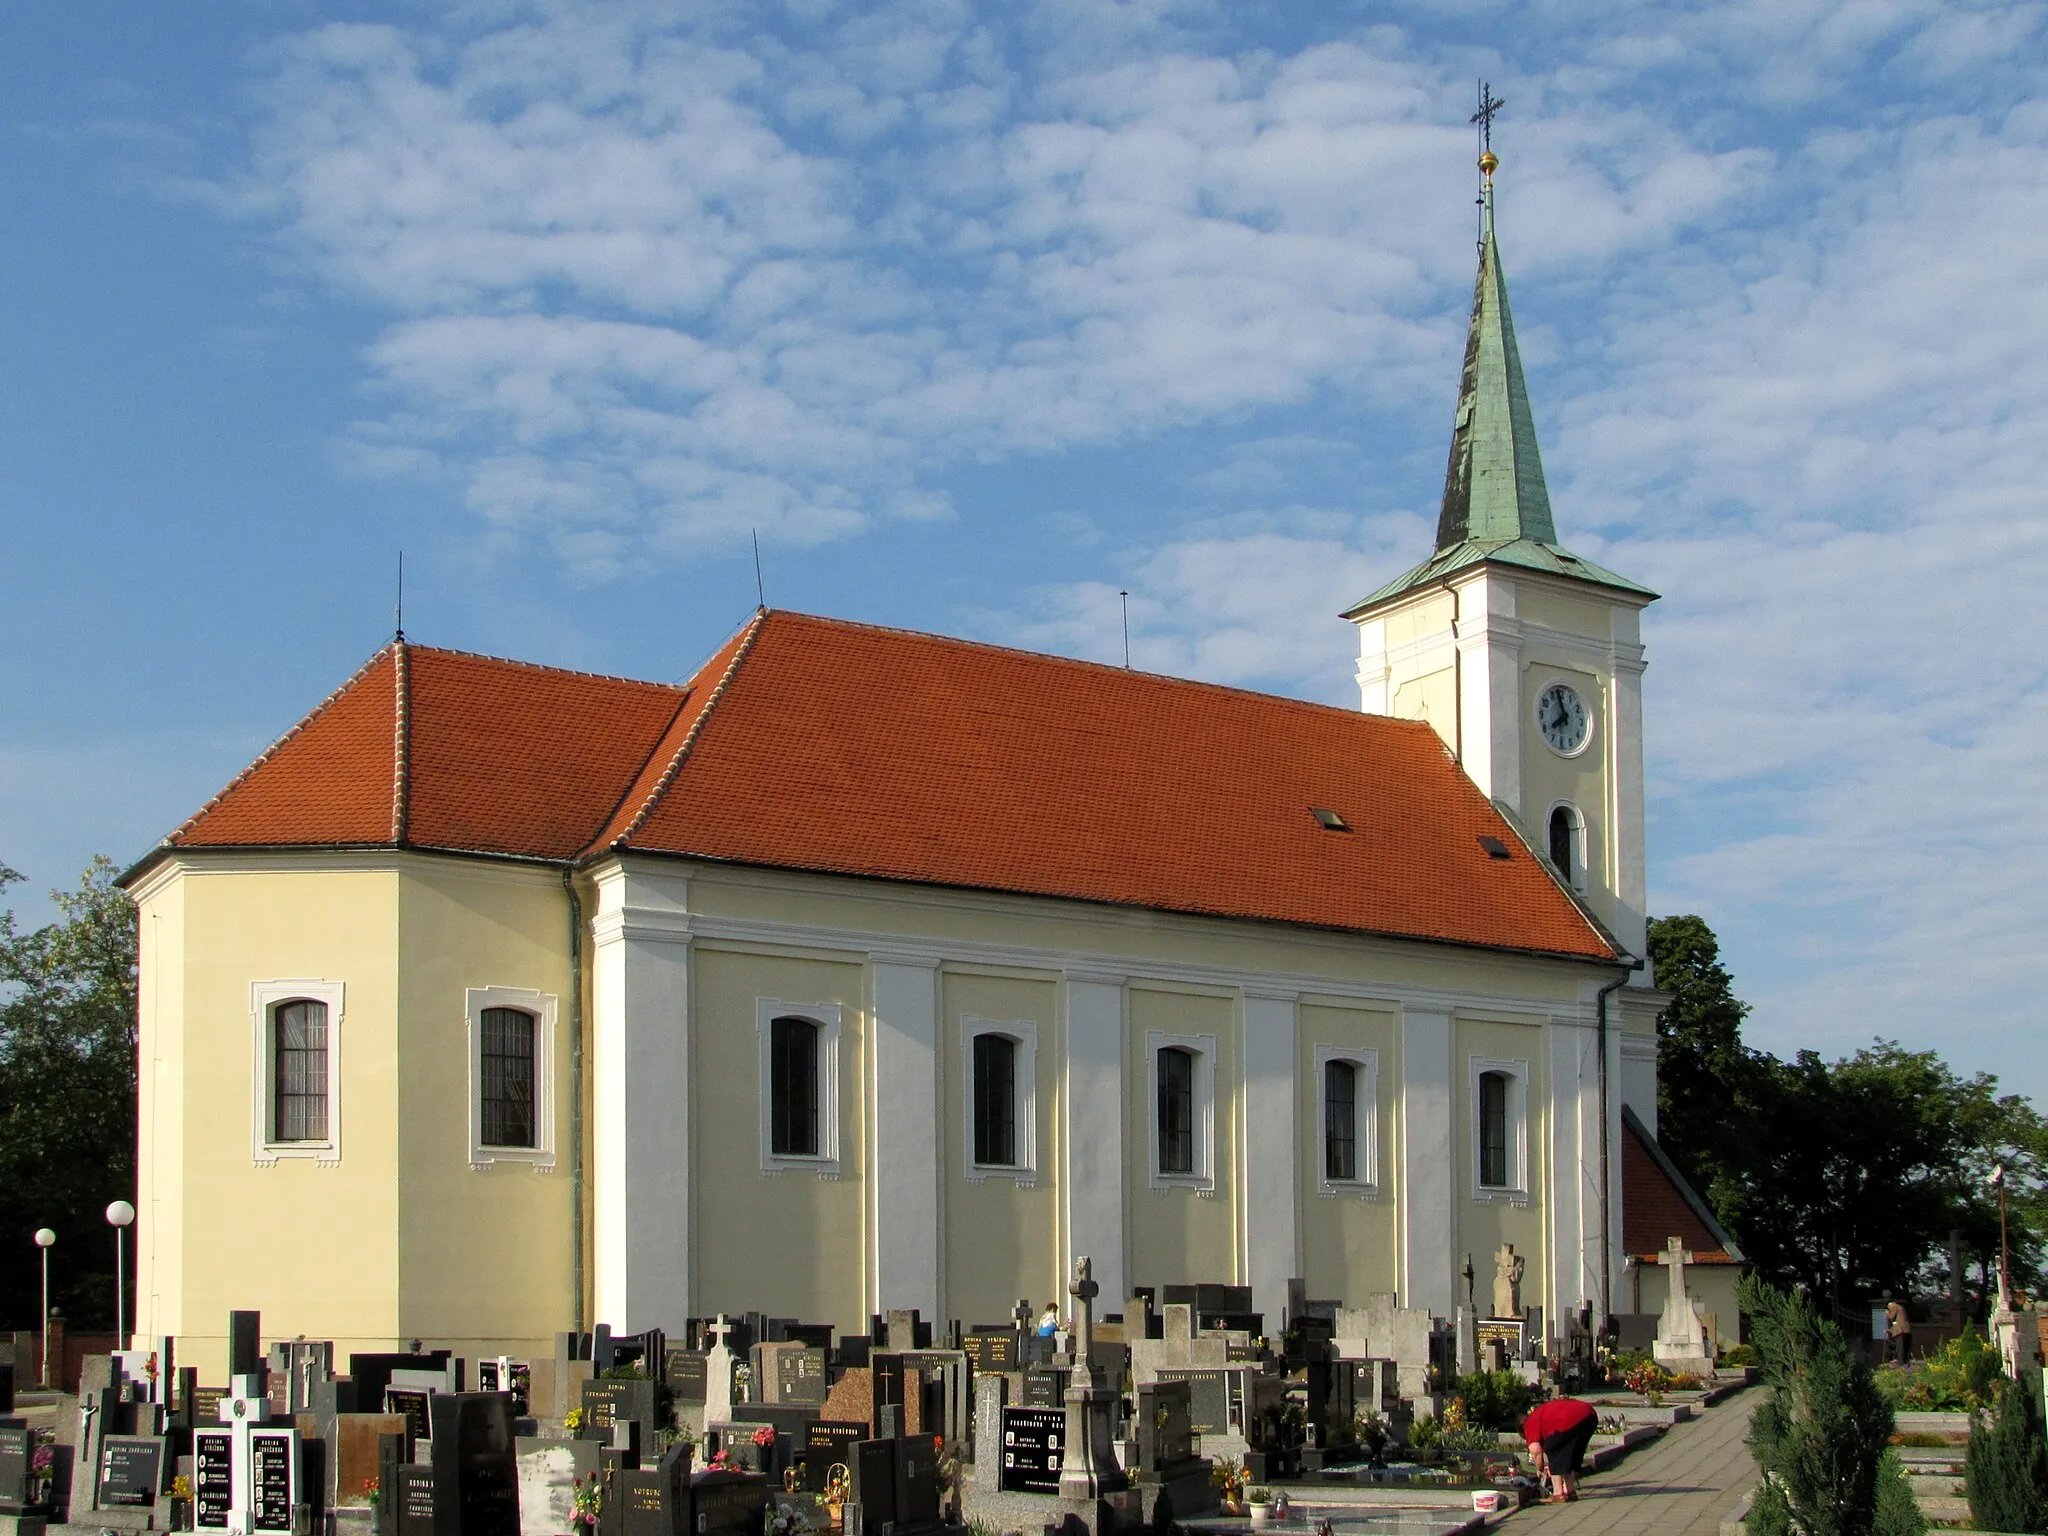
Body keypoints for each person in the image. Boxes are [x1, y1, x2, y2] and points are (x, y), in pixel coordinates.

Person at [1522, 1394, 1599, 1504]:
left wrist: (1539, 1468)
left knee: (1553, 1449)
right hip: (1589, 1415)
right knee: (1573, 1454)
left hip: (1567, 1420)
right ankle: (1570, 1491)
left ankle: (1558, 1494)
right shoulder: (1541, 1413)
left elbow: (1536, 1451)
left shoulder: (1529, 1423)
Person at [1886, 1298, 1912, 1364]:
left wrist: (1887, 1313)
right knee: (1905, 1349)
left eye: (1889, 1308)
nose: (1889, 1309)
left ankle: (1901, 1365)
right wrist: (1889, 1330)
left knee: (1900, 1349)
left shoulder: (1894, 1306)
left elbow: (1891, 1317)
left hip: (1900, 1331)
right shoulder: (1901, 1309)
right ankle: (1905, 1363)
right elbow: (1896, 1322)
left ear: (1890, 1305)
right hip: (1906, 1330)